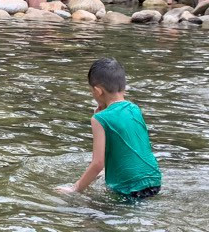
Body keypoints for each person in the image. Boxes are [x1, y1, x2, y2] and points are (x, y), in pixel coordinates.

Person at [57, 58, 161, 199]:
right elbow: (132, 147)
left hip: (129, 189)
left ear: (98, 91)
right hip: (154, 182)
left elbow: (97, 163)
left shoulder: (100, 119)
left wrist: (75, 188)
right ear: (123, 86)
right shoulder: (134, 109)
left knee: (87, 211)